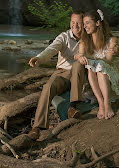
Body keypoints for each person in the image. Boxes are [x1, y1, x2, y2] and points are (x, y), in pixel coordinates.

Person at [27, 11, 86, 140]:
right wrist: (39, 58)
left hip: (81, 74)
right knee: (47, 88)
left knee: (78, 65)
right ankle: (37, 127)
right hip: (62, 73)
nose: (75, 26)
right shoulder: (64, 37)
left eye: (79, 23)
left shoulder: (88, 38)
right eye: (73, 22)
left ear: (84, 24)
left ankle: (72, 108)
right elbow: (51, 49)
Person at [75, 9, 119, 120]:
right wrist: (80, 57)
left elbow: (109, 61)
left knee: (99, 67)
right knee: (91, 68)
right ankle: (101, 104)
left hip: (111, 75)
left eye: (87, 23)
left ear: (97, 23)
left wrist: (96, 62)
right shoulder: (84, 41)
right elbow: (79, 54)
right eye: (84, 24)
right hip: (94, 76)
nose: (85, 26)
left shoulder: (111, 40)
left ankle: (107, 104)